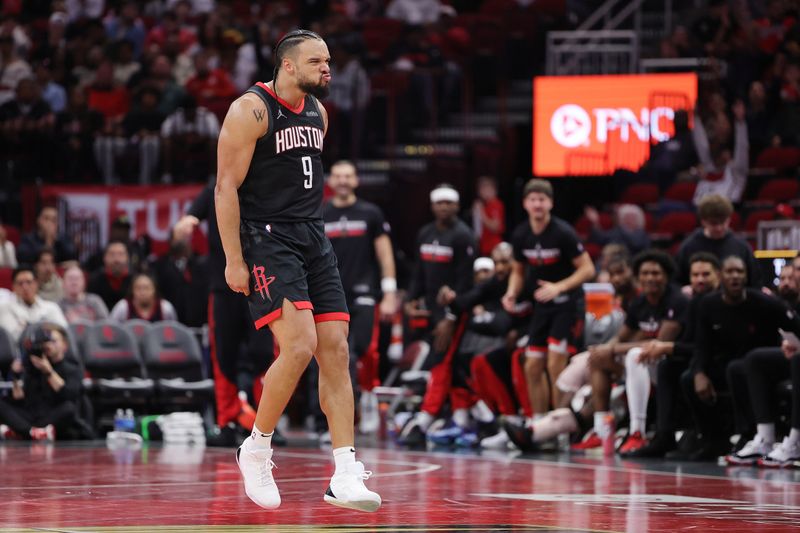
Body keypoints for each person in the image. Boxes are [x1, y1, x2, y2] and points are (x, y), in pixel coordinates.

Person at [215, 29, 380, 512]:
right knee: (300, 345)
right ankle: (257, 447)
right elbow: (226, 188)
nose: (328, 68)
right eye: (317, 61)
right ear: (288, 65)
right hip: (266, 237)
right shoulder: (251, 110)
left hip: (312, 234)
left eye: (328, 60)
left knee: (336, 349)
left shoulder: (319, 112)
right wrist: (233, 259)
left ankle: (345, 471)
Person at [174, 184, 278, 446]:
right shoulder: (215, 188)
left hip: (262, 282)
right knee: (223, 355)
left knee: (265, 353)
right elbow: (189, 219)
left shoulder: (265, 181)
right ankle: (228, 419)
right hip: (224, 285)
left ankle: (265, 423)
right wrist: (185, 224)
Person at [686, 256, 800, 460]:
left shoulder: (765, 302)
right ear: (721, 276)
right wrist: (699, 372)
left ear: (747, 276)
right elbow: (701, 345)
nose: (735, 276)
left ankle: (773, 436)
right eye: (730, 272)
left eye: (739, 272)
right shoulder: (707, 304)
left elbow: (794, 326)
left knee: (752, 361)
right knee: (692, 377)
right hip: (730, 362)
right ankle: (716, 438)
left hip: (763, 359)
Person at [502, 179, 595, 417]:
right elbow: (518, 271)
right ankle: (539, 421)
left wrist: (559, 287)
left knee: (556, 364)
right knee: (532, 366)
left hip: (567, 305)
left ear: (550, 203)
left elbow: (588, 269)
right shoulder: (521, 234)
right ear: (525, 204)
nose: (537, 204)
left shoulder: (563, 232)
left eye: (542, 200)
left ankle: (560, 423)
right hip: (541, 307)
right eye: (532, 200)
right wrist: (511, 292)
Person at [396, 184, 477, 446]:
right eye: (439, 202)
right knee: (446, 363)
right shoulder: (426, 233)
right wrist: (410, 300)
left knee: (441, 362)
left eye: (448, 202)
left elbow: (467, 283)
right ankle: (460, 416)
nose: (444, 206)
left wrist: (451, 317)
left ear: (456, 206)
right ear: (432, 206)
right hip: (431, 311)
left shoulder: (464, 236)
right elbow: (419, 273)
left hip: (454, 313)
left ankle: (427, 418)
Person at [321, 160, 397, 436]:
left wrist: (389, 291)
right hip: (329, 293)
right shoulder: (320, 213)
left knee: (366, 350)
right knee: (334, 356)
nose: (343, 180)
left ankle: (367, 400)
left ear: (356, 181)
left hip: (365, 293)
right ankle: (337, 420)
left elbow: (385, 253)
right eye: (338, 175)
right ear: (330, 181)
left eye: (348, 176)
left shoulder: (371, 213)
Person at [622, 252, 721, 457]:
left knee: (687, 376)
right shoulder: (694, 302)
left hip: (719, 361)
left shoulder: (719, 301)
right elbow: (690, 345)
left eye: (705, 274)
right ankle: (663, 436)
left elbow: (709, 347)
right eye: (695, 275)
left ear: (717, 276)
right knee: (667, 367)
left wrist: (668, 348)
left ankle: (709, 438)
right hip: (696, 359)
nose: (700, 279)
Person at [0, 324, 85, 441]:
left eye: (52, 341)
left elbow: (69, 395)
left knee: (69, 408)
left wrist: (48, 371)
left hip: (52, 415)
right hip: (31, 415)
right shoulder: (33, 366)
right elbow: (19, 398)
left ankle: (22, 432)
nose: (47, 344)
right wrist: (15, 375)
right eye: (45, 341)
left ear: (65, 345)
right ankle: (33, 433)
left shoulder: (72, 367)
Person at [674, 194, 760, 288]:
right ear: (703, 221)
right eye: (713, 223)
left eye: (723, 222)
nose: (719, 228)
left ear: (729, 219)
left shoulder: (741, 247)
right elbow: (676, 281)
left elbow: (754, 280)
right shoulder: (688, 246)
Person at [0, 267, 68, 342]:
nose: (25, 287)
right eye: (20, 283)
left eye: (29, 282)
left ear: (36, 283)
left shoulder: (51, 308)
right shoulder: (5, 309)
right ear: (14, 287)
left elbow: (64, 333)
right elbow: (9, 339)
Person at [109, 272, 178, 322]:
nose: (142, 292)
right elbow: (113, 330)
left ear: (154, 290)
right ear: (132, 291)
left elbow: (173, 332)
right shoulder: (122, 307)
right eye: (138, 288)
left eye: (147, 288)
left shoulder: (165, 308)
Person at [87, 241, 132, 311]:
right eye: (112, 254)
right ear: (104, 258)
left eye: (121, 254)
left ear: (127, 257)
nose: (116, 259)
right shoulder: (95, 280)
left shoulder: (135, 280)